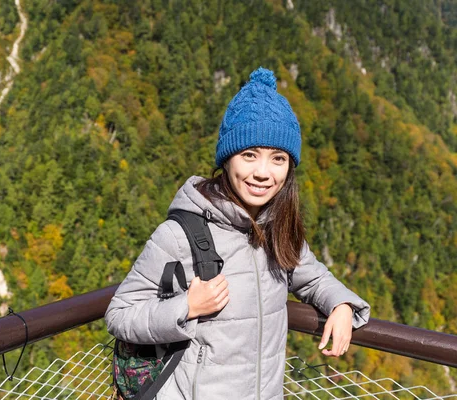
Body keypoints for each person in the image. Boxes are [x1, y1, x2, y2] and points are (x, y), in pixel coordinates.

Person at [105, 67, 370, 399]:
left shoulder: (278, 228)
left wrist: (342, 304)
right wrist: (185, 307)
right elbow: (119, 314)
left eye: (278, 159)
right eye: (249, 155)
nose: (262, 173)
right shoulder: (180, 234)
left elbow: (312, 276)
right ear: (227, 159)